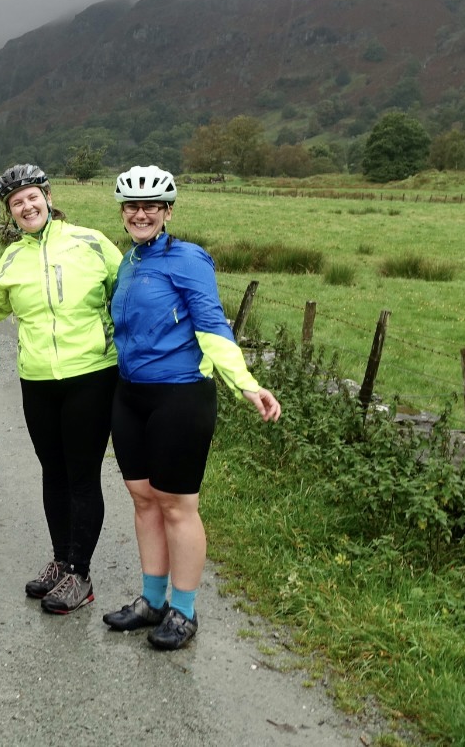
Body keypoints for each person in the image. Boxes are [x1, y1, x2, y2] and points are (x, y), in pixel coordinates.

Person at [103, 165, 281, 650]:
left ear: (167, 211)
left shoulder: (189, 259)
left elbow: (212, 326)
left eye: (151, 206)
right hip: (130, 394)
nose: (141, 214)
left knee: (178, 506)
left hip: (180, 395)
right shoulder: (129, 261)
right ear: (123, 212)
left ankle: (183, 611)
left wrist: (245, 384)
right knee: (143, 499)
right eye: (132, 207)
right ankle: (152, 600)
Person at [0, 163, 121, 614]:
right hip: (37, 380)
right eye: (16, 202)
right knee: (52, 472)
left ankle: (81, 573)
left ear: (47, 196)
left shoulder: (91, 242)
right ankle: (62, 562)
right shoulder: (10, 258)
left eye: (32, 196)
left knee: (81, 476)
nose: (26, 206)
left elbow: (128, 292)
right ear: (10, 212)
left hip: (91, 374)